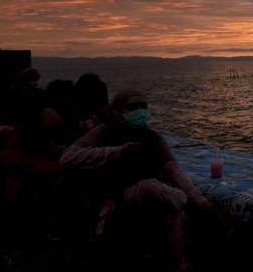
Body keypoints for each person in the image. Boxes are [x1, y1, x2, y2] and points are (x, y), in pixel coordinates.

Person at [60, 88, 228, 272]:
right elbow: (68, 157)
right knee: (152, 187)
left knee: (176, 213)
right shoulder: (105, 132)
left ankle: (182, 263)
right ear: (117, 111)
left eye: (143, 106)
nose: (139, 111)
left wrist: (202, 203)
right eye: (132, 107)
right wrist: (116, 151)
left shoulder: (153, 138)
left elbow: (174, 171)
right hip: (115, 197)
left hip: (152, 198)